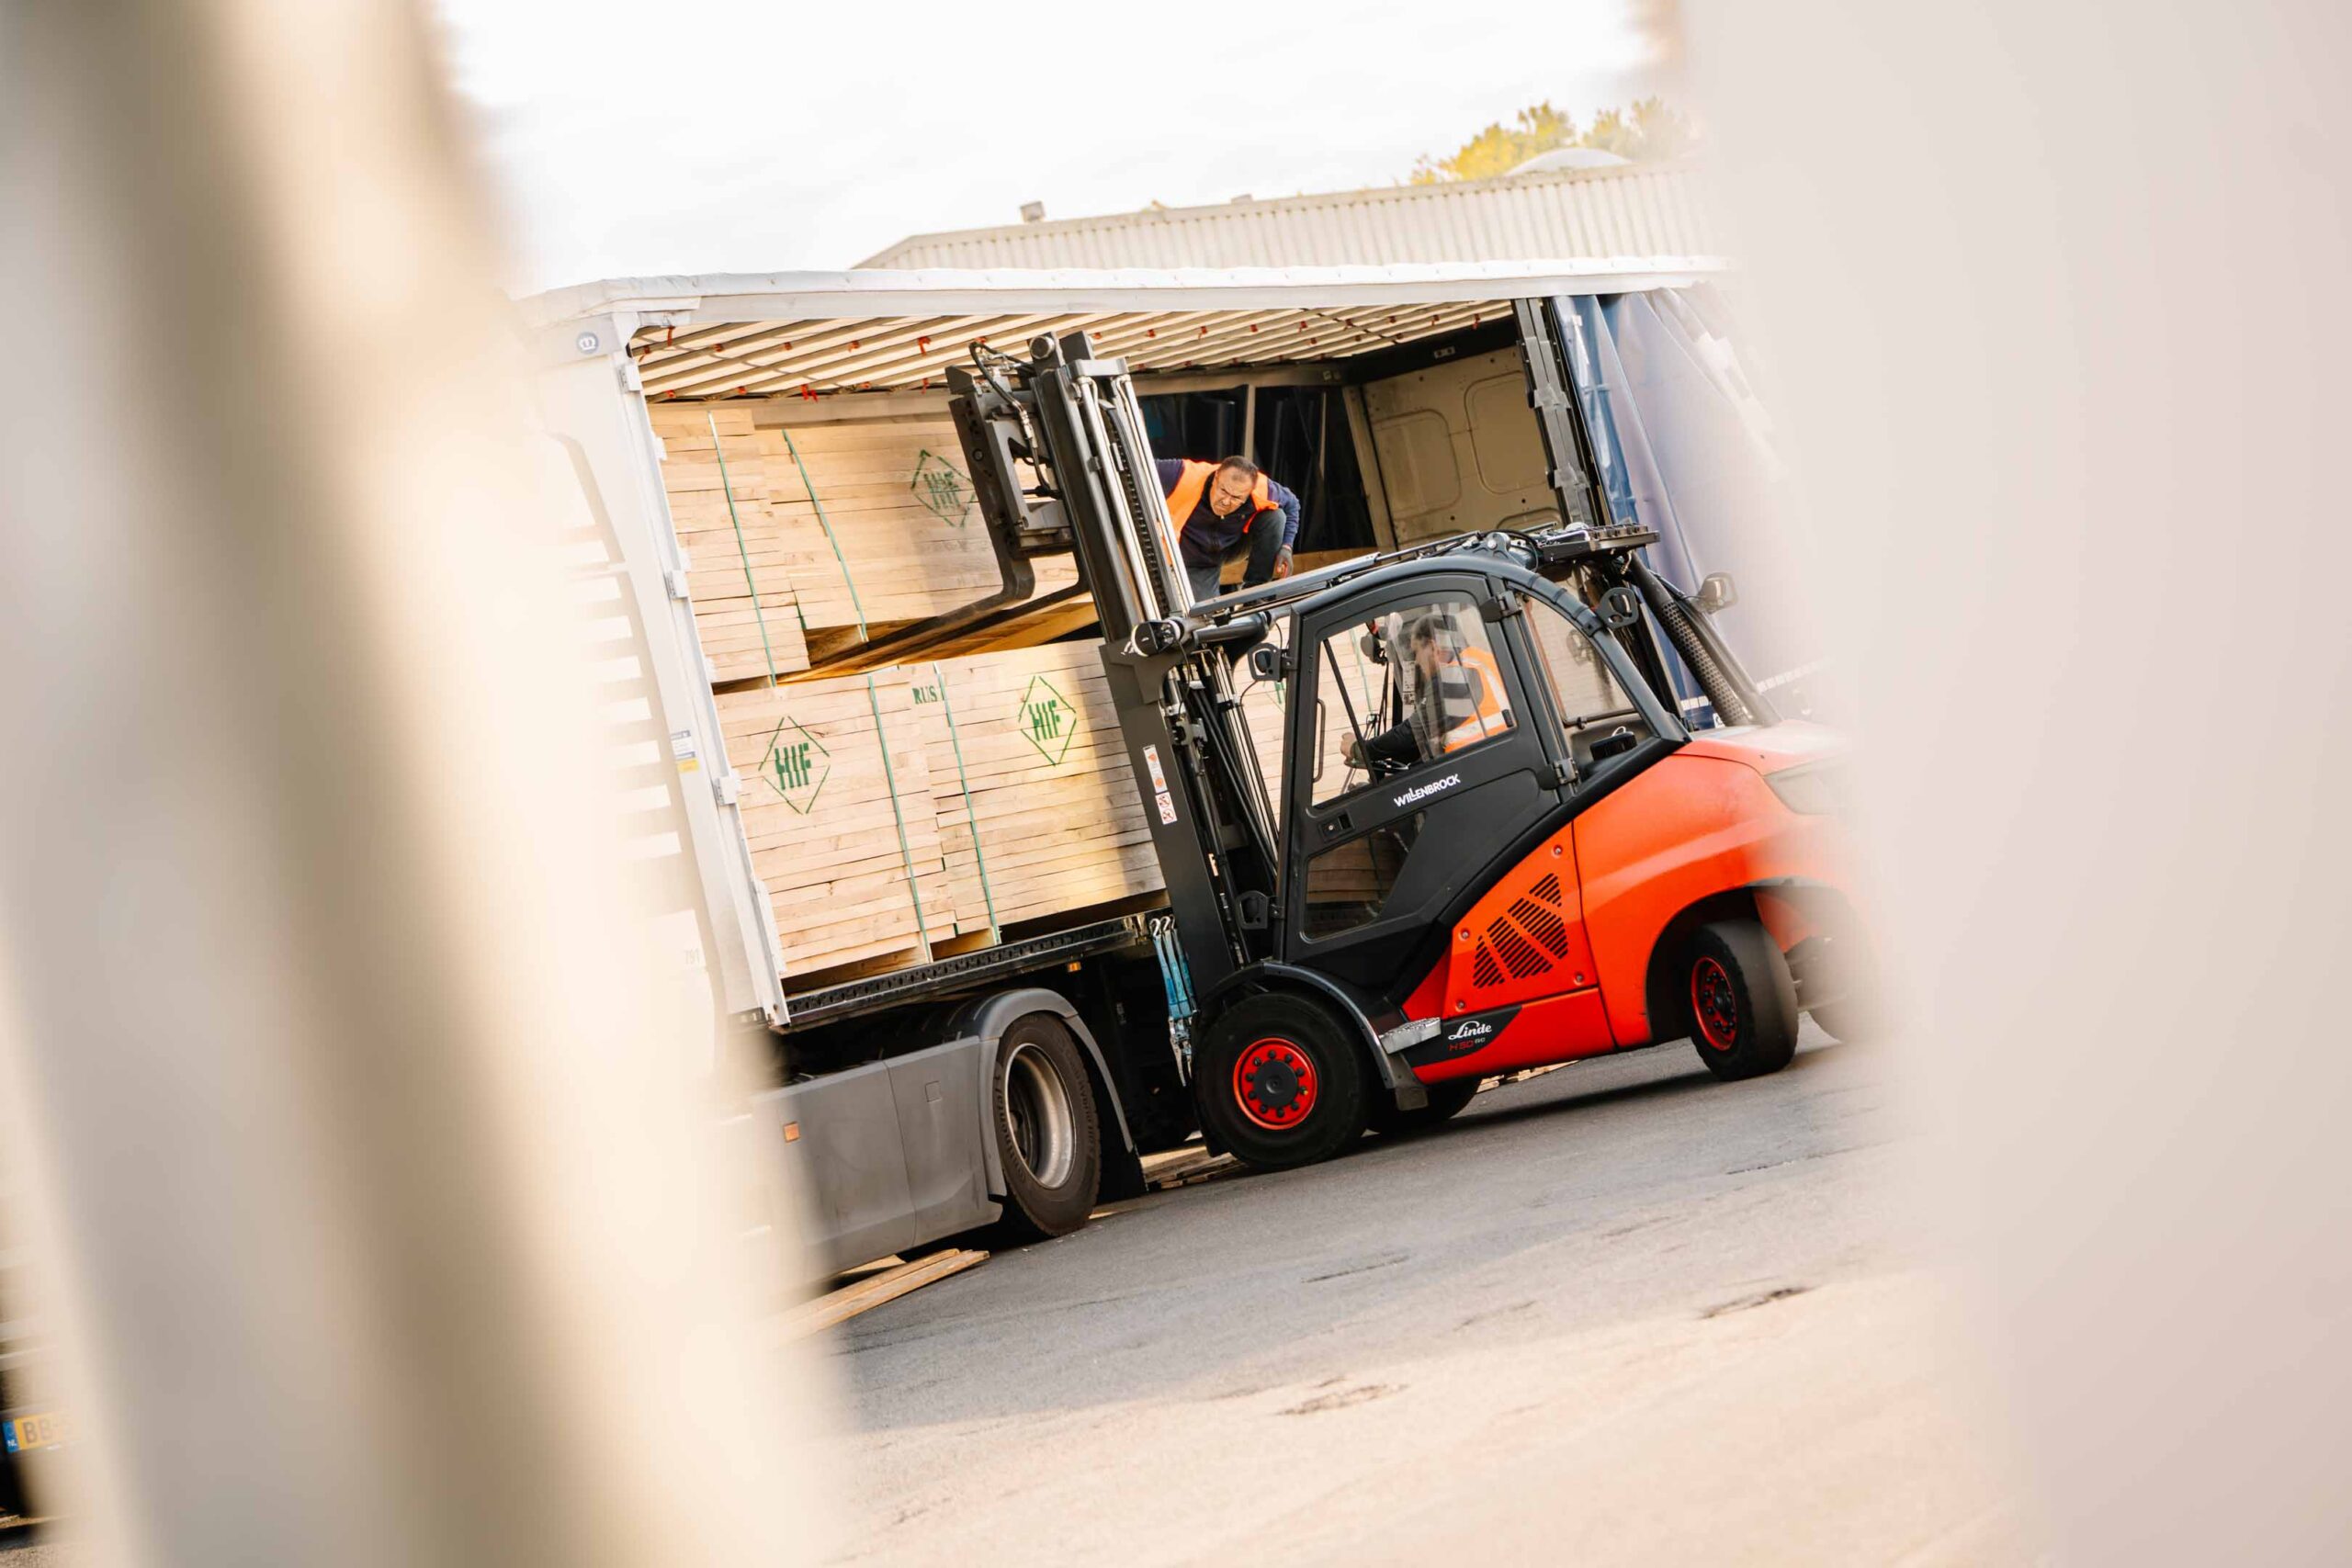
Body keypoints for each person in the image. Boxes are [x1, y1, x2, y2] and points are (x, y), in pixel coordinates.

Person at [1343, 613, 1510, 772]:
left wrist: (1358, 750)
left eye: (1417, 652)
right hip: (1495, 759)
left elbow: (1410, 734)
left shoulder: (1453, 678)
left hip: (1480, 770)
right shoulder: (1479, 661)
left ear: (1432, 648)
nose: (1416, 661)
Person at [1155, 456, 1301, 602]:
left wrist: (1287, 546)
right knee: (1204, 617)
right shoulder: (1183, 474)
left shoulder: (1264, 489)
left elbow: (1292, 504)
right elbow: (1138, 464)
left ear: (1249, 492)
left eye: (1236, 498)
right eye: (1223, 491)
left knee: (1276, 516)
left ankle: (1255, 596)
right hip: (1192, 556)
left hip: (1233, 544)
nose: (1225, 502)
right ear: (1216, 477)